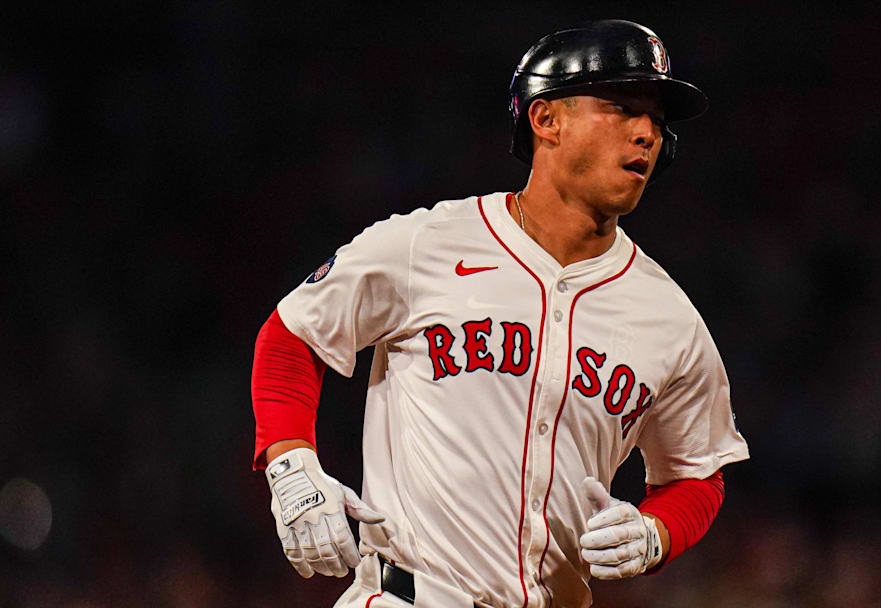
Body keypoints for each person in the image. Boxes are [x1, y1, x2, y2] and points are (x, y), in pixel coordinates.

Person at [251, 19, 749, 608]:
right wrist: (291, 465)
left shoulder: (670, 319)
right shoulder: (427, 244)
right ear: (546, 119)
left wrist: (655, 533)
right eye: (621, 106)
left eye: (657, 121)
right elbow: (293, 335)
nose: (646, 132)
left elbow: (697, 470)